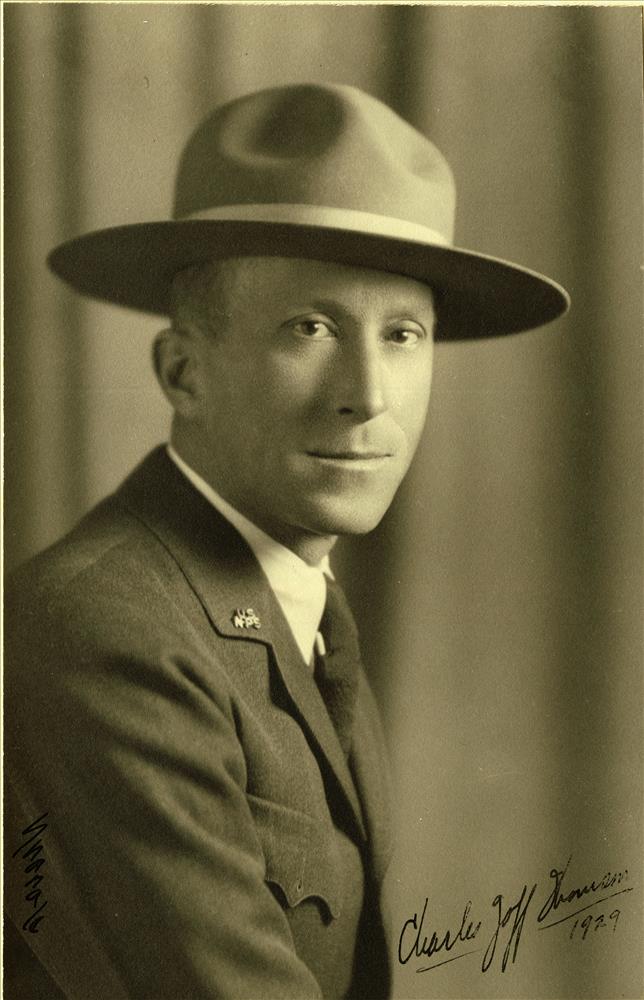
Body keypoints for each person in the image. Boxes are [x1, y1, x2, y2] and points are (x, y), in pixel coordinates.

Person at [4, 83, 569, 999]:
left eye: (404, 333)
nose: (369, 394)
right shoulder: (104, 631)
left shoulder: (297, 601)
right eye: (310, 327)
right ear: (183, 371)